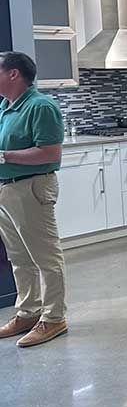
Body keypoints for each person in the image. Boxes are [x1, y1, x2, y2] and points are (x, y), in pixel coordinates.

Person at [0, 52, 67, 348]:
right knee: (19, 258)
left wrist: (5, 156)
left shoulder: (41, 106)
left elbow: (50, 154)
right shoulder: (6, 108)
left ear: (14, 74)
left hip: (32, 188)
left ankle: (53, 318)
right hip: (7, 189)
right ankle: (28, 313)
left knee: (45, 257)